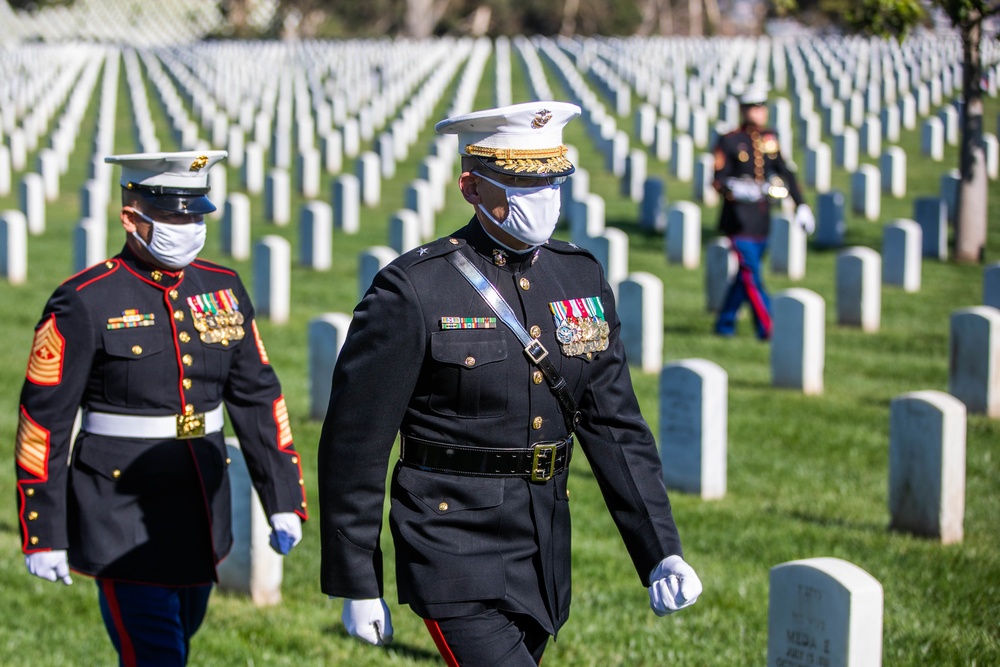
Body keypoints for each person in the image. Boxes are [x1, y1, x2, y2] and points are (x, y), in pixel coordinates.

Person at [318, 102, 702, 666]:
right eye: (523, 182)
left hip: (542, 541)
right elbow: (356, 444)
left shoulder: (580, 276)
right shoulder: (414, 290)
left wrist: (660, 550)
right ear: (472, 187)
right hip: (451, 542)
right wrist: (357, 576)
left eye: (552, 179)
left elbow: (613, 423)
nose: (542, 195)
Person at [15, 150, 308, 665]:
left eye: (197, 216)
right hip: (118, 509)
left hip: (202, 508)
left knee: (178, 641)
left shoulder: (222, 288)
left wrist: (282, 495)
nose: (190, 228)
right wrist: (43, 531)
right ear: (132, 218)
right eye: (175, 216)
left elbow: (257, 395)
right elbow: (45, 422)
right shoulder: (85, 300)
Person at [712, 84, 814, 340]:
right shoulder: (730, 140)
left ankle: (724, 325)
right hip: (738, 220)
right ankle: (768, 327)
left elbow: (784, 170)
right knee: (752, 276)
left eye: (761, 106)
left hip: (761, 219)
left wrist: (800, 204)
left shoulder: (769, 138)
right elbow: (718, 179)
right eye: (754, 106)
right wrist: (742, 189)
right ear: (744, 110)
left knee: (745, 276)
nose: (759, 111)